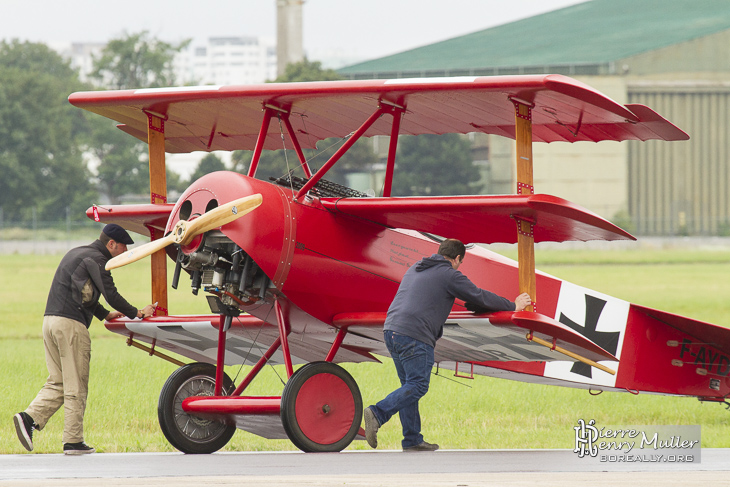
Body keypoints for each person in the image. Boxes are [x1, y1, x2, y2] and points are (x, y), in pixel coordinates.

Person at [364, 238, 531, 452]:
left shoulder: (416, 267)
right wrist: (512, 305)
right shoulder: (449, 274)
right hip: (415, 335)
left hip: (391, 331)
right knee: (418, 386)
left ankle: (412, 439)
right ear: (457, 258)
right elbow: (478, 295)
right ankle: (377, 413)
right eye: (460, 262)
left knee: (409, 386)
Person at [13, 224, 156, 455]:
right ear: (111, 244)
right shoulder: (98, 259)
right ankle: (73, 441)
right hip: (70, 326)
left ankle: (27, 418)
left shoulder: (77, 253)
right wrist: (138, 313)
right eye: (122, 247)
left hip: (50, 322)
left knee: (58, 382)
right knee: (76, 384)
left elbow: (84, 295)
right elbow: (111, 294)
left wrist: (103, 315)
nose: (124, 251)